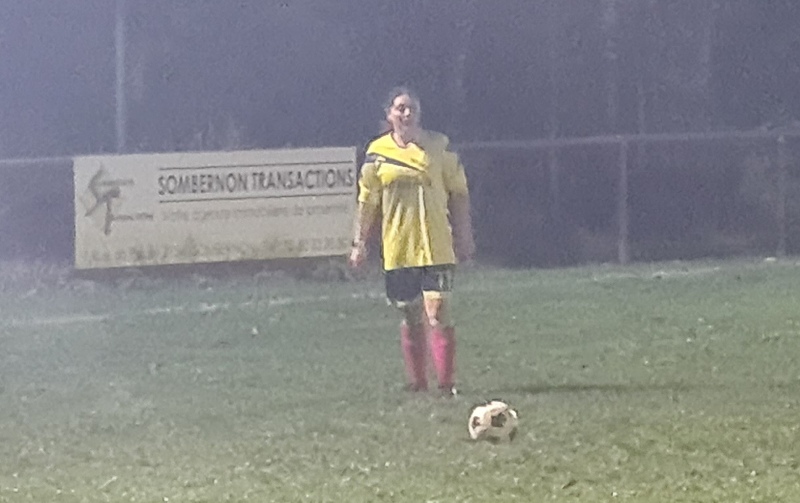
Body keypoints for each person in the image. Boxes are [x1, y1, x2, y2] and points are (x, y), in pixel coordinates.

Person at [349, 86, 475, 395]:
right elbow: (367, 202)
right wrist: (359, 244)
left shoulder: (439, 146)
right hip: (399, 248)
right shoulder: (377, 153)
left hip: (437, 245)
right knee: (410, 312)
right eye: (400, 108)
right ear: (389, 114)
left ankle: (446, 384)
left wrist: (464, 235)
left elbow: (459, 193)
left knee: (438, 310)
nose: (407, 114)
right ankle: (418, 383)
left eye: (412, 108)